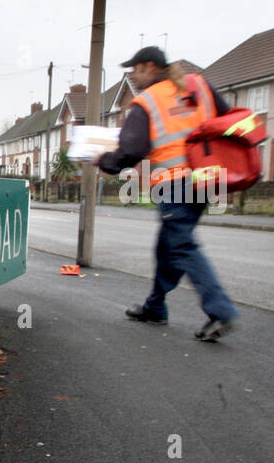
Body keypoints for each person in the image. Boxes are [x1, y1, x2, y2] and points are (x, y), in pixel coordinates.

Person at [94, 46, 239, 341]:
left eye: (134, 70)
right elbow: (229, 120)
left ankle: (220, 310)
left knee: (182, 245)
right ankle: (155, 306)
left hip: (175, 183)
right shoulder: (199, 85)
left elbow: (132, 150)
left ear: (148, 67)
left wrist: (103, 161)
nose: (133, 76)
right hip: (207, 179)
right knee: (169, 244)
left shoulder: (147, 101)